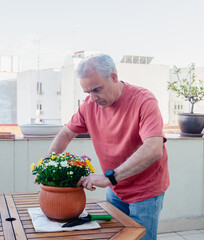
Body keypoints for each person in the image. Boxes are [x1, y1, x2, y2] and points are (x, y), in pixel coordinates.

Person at [47, 54, 169, 240]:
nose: (93, 98)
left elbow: (153, 148)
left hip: (145, 192)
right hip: (115, 190)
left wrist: (109, 177)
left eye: (97, 89)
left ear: (113, 77)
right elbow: (66, 134)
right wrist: (48, 164)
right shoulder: (89, 105)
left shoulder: (143, 100)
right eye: (88, 92)